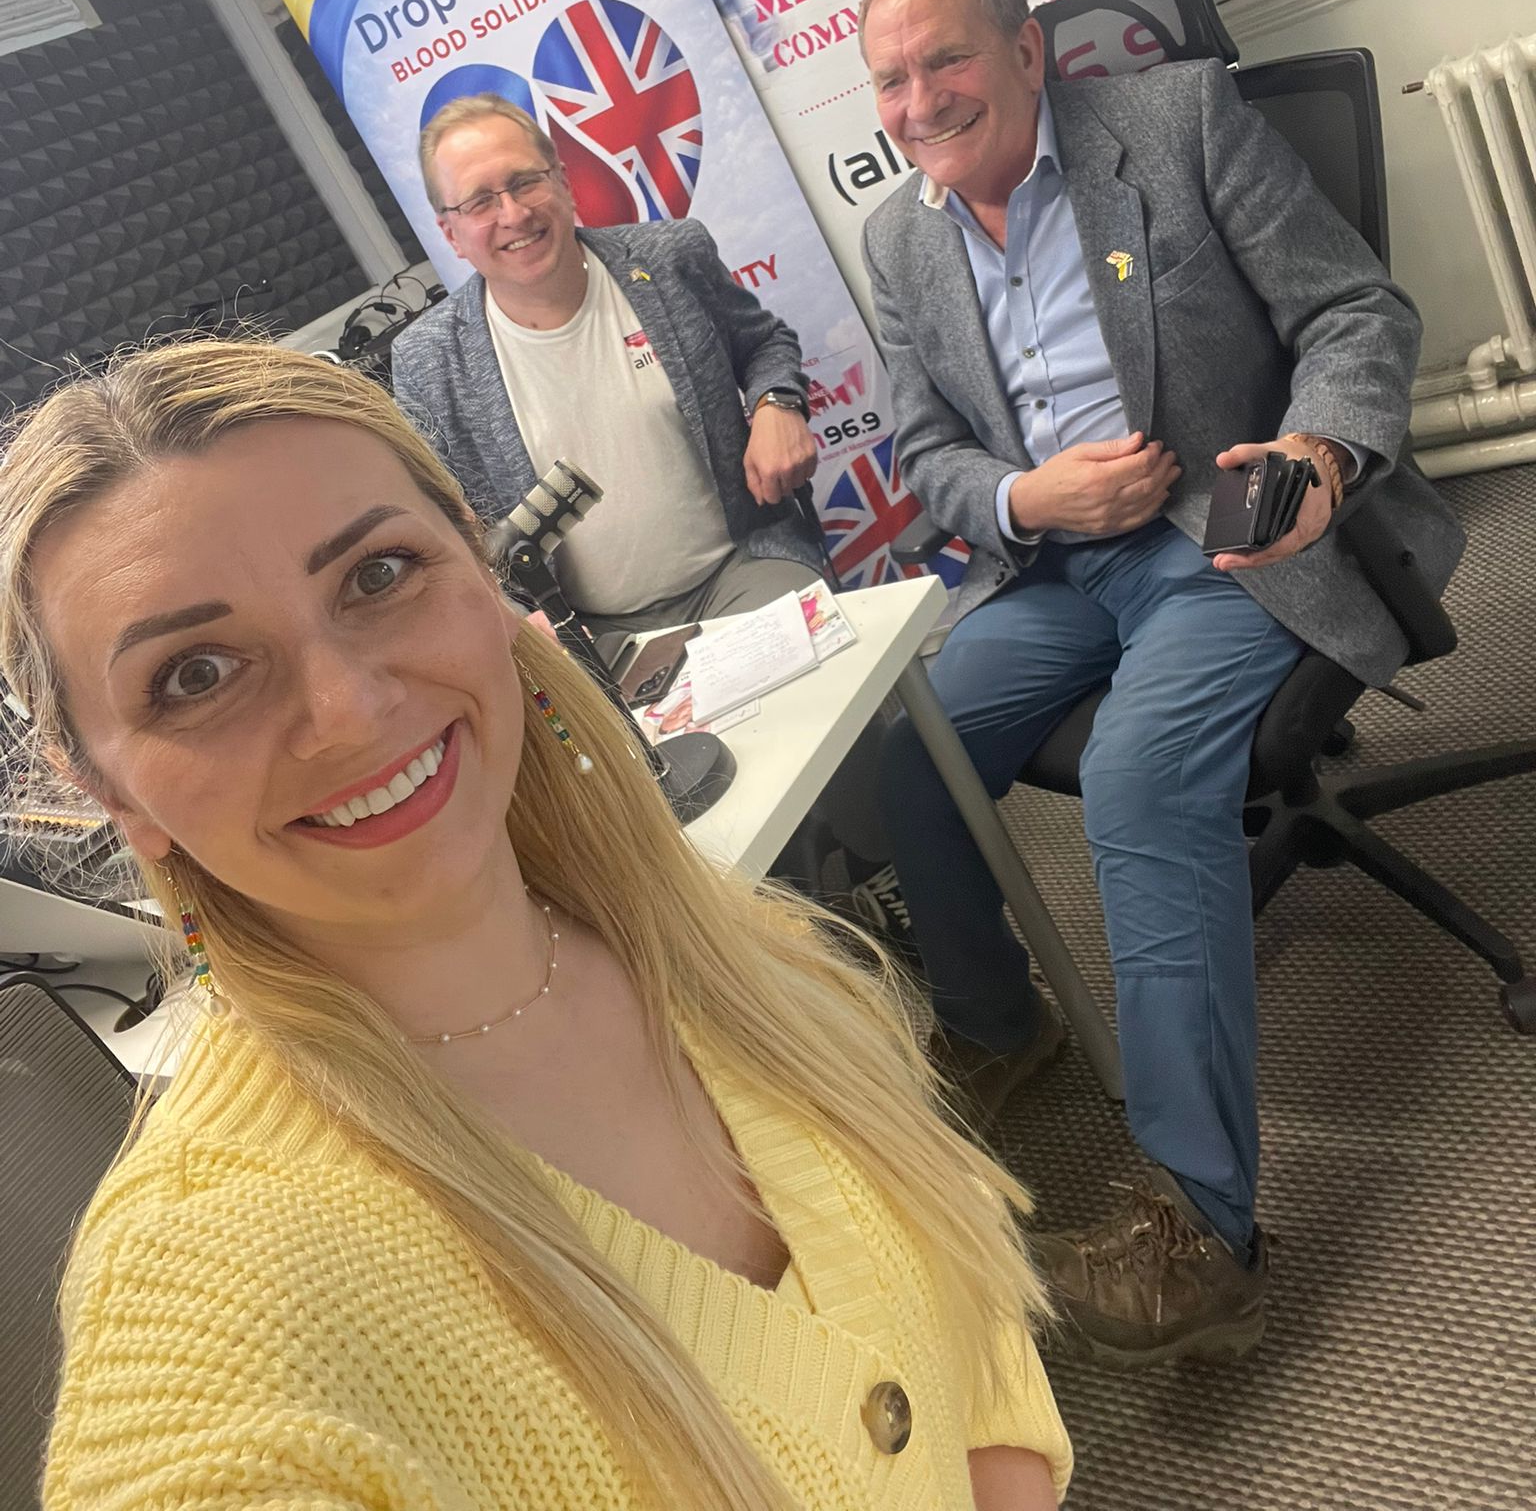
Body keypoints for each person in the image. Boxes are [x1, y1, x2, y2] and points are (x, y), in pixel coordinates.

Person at [7, 339, 1073, 1510]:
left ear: (482, 567)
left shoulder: (735, 946)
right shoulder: (210, 1298)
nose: (348, 710)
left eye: (377, 574)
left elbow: (966, 1315)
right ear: (107, 789)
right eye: (196, 673)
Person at [857, 0, 1463, 1365]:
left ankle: (1206, 1232)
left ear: (1025, 50)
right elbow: (926, 449)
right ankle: (998, 1026)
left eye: (947, 58)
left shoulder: (1177, 122)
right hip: (1059, 560)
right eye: (890, 79)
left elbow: (1353, 308)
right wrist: (1027, 498)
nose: (921, 100)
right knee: (906, 746)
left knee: (1136, 778)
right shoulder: (898, 239)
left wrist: (1319, 451)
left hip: (1226, 530)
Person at [391, 93, 820, 645]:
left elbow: (764, 344)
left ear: (564, 183)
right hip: (588, 633)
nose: (514, 214)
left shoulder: (671, 259)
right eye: (479, 202)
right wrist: (511, 616)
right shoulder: (428, 360)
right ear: (451, 233)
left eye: (525, 182)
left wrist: (777, 403)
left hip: (743, 567)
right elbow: (444, 523)